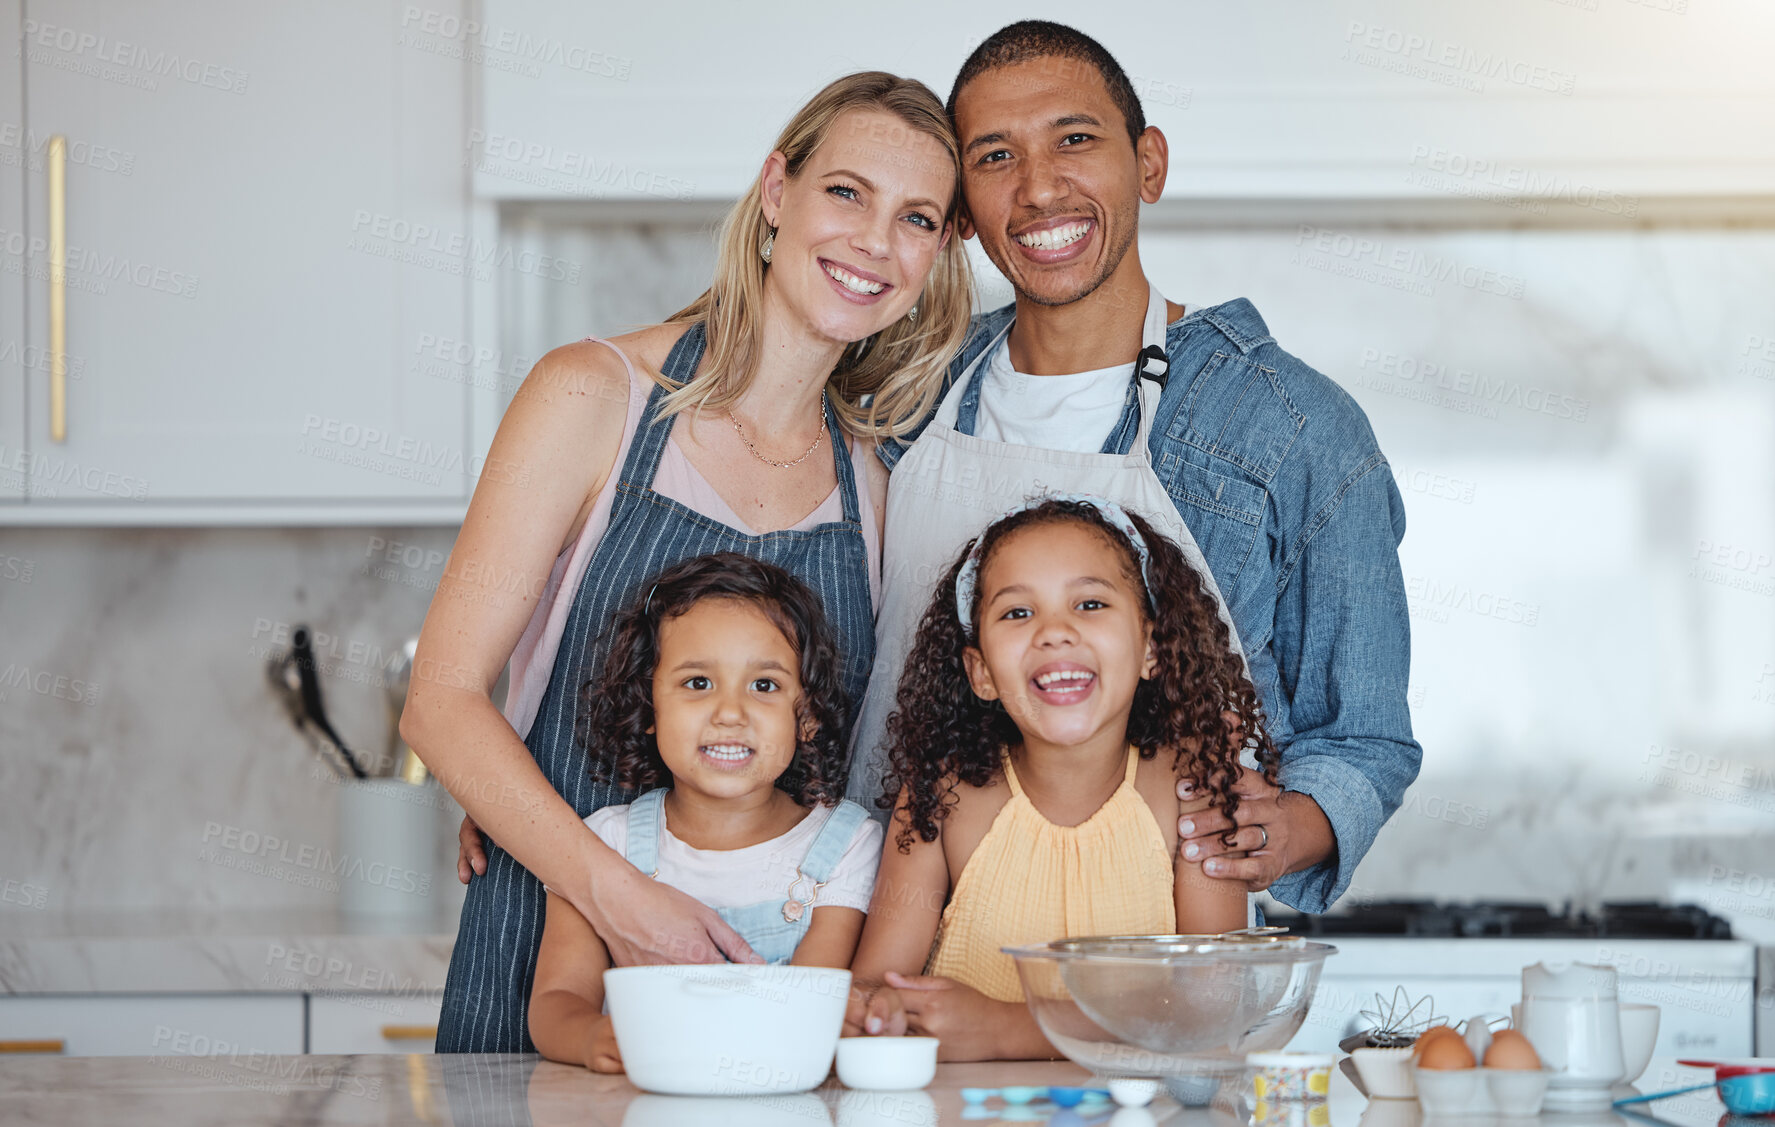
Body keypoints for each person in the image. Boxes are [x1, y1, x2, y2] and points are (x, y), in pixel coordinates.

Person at [405, 70, 974, 1052]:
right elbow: (440, 702)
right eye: (846, 191)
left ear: (935, 254)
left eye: (916, 218)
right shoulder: (590, 398)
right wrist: (617, 891)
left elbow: (853, 772)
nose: (875, 242)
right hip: (551, 952)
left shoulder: (876, 484)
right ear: (775, 191)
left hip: (774, 993)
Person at [846, 22, 1423, 915]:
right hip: (903, 971)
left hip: (1161, 974)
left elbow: (1363, 738)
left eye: (1074, 139)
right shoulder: (900, 393)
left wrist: (1284, 826)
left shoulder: (1293, 428)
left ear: (1147, 162)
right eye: (994, 157)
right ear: (961, 208)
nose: (1039, 189)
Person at [843, 495, 1266, 1060]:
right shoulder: (937, 798)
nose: (1054, 631)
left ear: (1152, 647)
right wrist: (879, 1015)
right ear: (982, 672)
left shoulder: (1196, 789)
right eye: (1018, 613)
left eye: (1089, 603)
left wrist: (1005, 1029)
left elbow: (1216, 1006)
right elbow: (877, 985)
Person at [529, 554, 882, 1072]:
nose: (730, 713)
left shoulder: (845, 845)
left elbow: (806, 1017)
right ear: (649, 707)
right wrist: (591, 1039)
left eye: (765, 686)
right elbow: (556, 1001)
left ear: (805, 716)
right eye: (698, 683)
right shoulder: (606, 846)